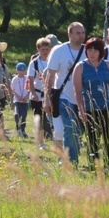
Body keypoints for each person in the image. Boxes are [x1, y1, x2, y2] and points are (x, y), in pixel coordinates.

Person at [73, 37, 109, 169]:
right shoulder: (80, 67)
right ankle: (94, 167)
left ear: (101, 52)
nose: (92, 53)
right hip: (90, 109)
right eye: (90, 50)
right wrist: (81, 110)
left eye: (95, 50)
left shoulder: (108, 65)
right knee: (93, 139)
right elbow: (77, 91)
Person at [45, 22, 86, 164]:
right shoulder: (59, 51)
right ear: (70, 34)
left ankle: (71, 155)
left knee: (79, 131)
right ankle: (71, 161)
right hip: (64, 96)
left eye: (83, 33)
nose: (81, 36)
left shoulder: (88, 51)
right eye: (78, 33)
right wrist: (46, 99)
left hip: (82, 99)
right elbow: (50, 76)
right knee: (69, 127)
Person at [27, 37, 53, 148]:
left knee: (52, 118)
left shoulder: (52, 61)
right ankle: (40, 142)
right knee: (39, 118)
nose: (45, 51)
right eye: (43, 49)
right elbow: (30, 80)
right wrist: (33, 93)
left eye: (47, 49)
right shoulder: (34, 63)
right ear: (38, 49)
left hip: (50, 94)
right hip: (37, 94)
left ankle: (56, 141)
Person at [11, 63, 29, 138]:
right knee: (17, 114)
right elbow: (13, 89)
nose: (22, 72)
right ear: (17, 71)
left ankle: (23, 130)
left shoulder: (27, 78)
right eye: (20, 71)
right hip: (17, 100)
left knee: (24, 115)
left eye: (23, 70)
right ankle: (18, 129)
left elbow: (29, 89)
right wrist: (17, 96)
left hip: (25, 100)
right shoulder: (14, 79)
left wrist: (26, 97)